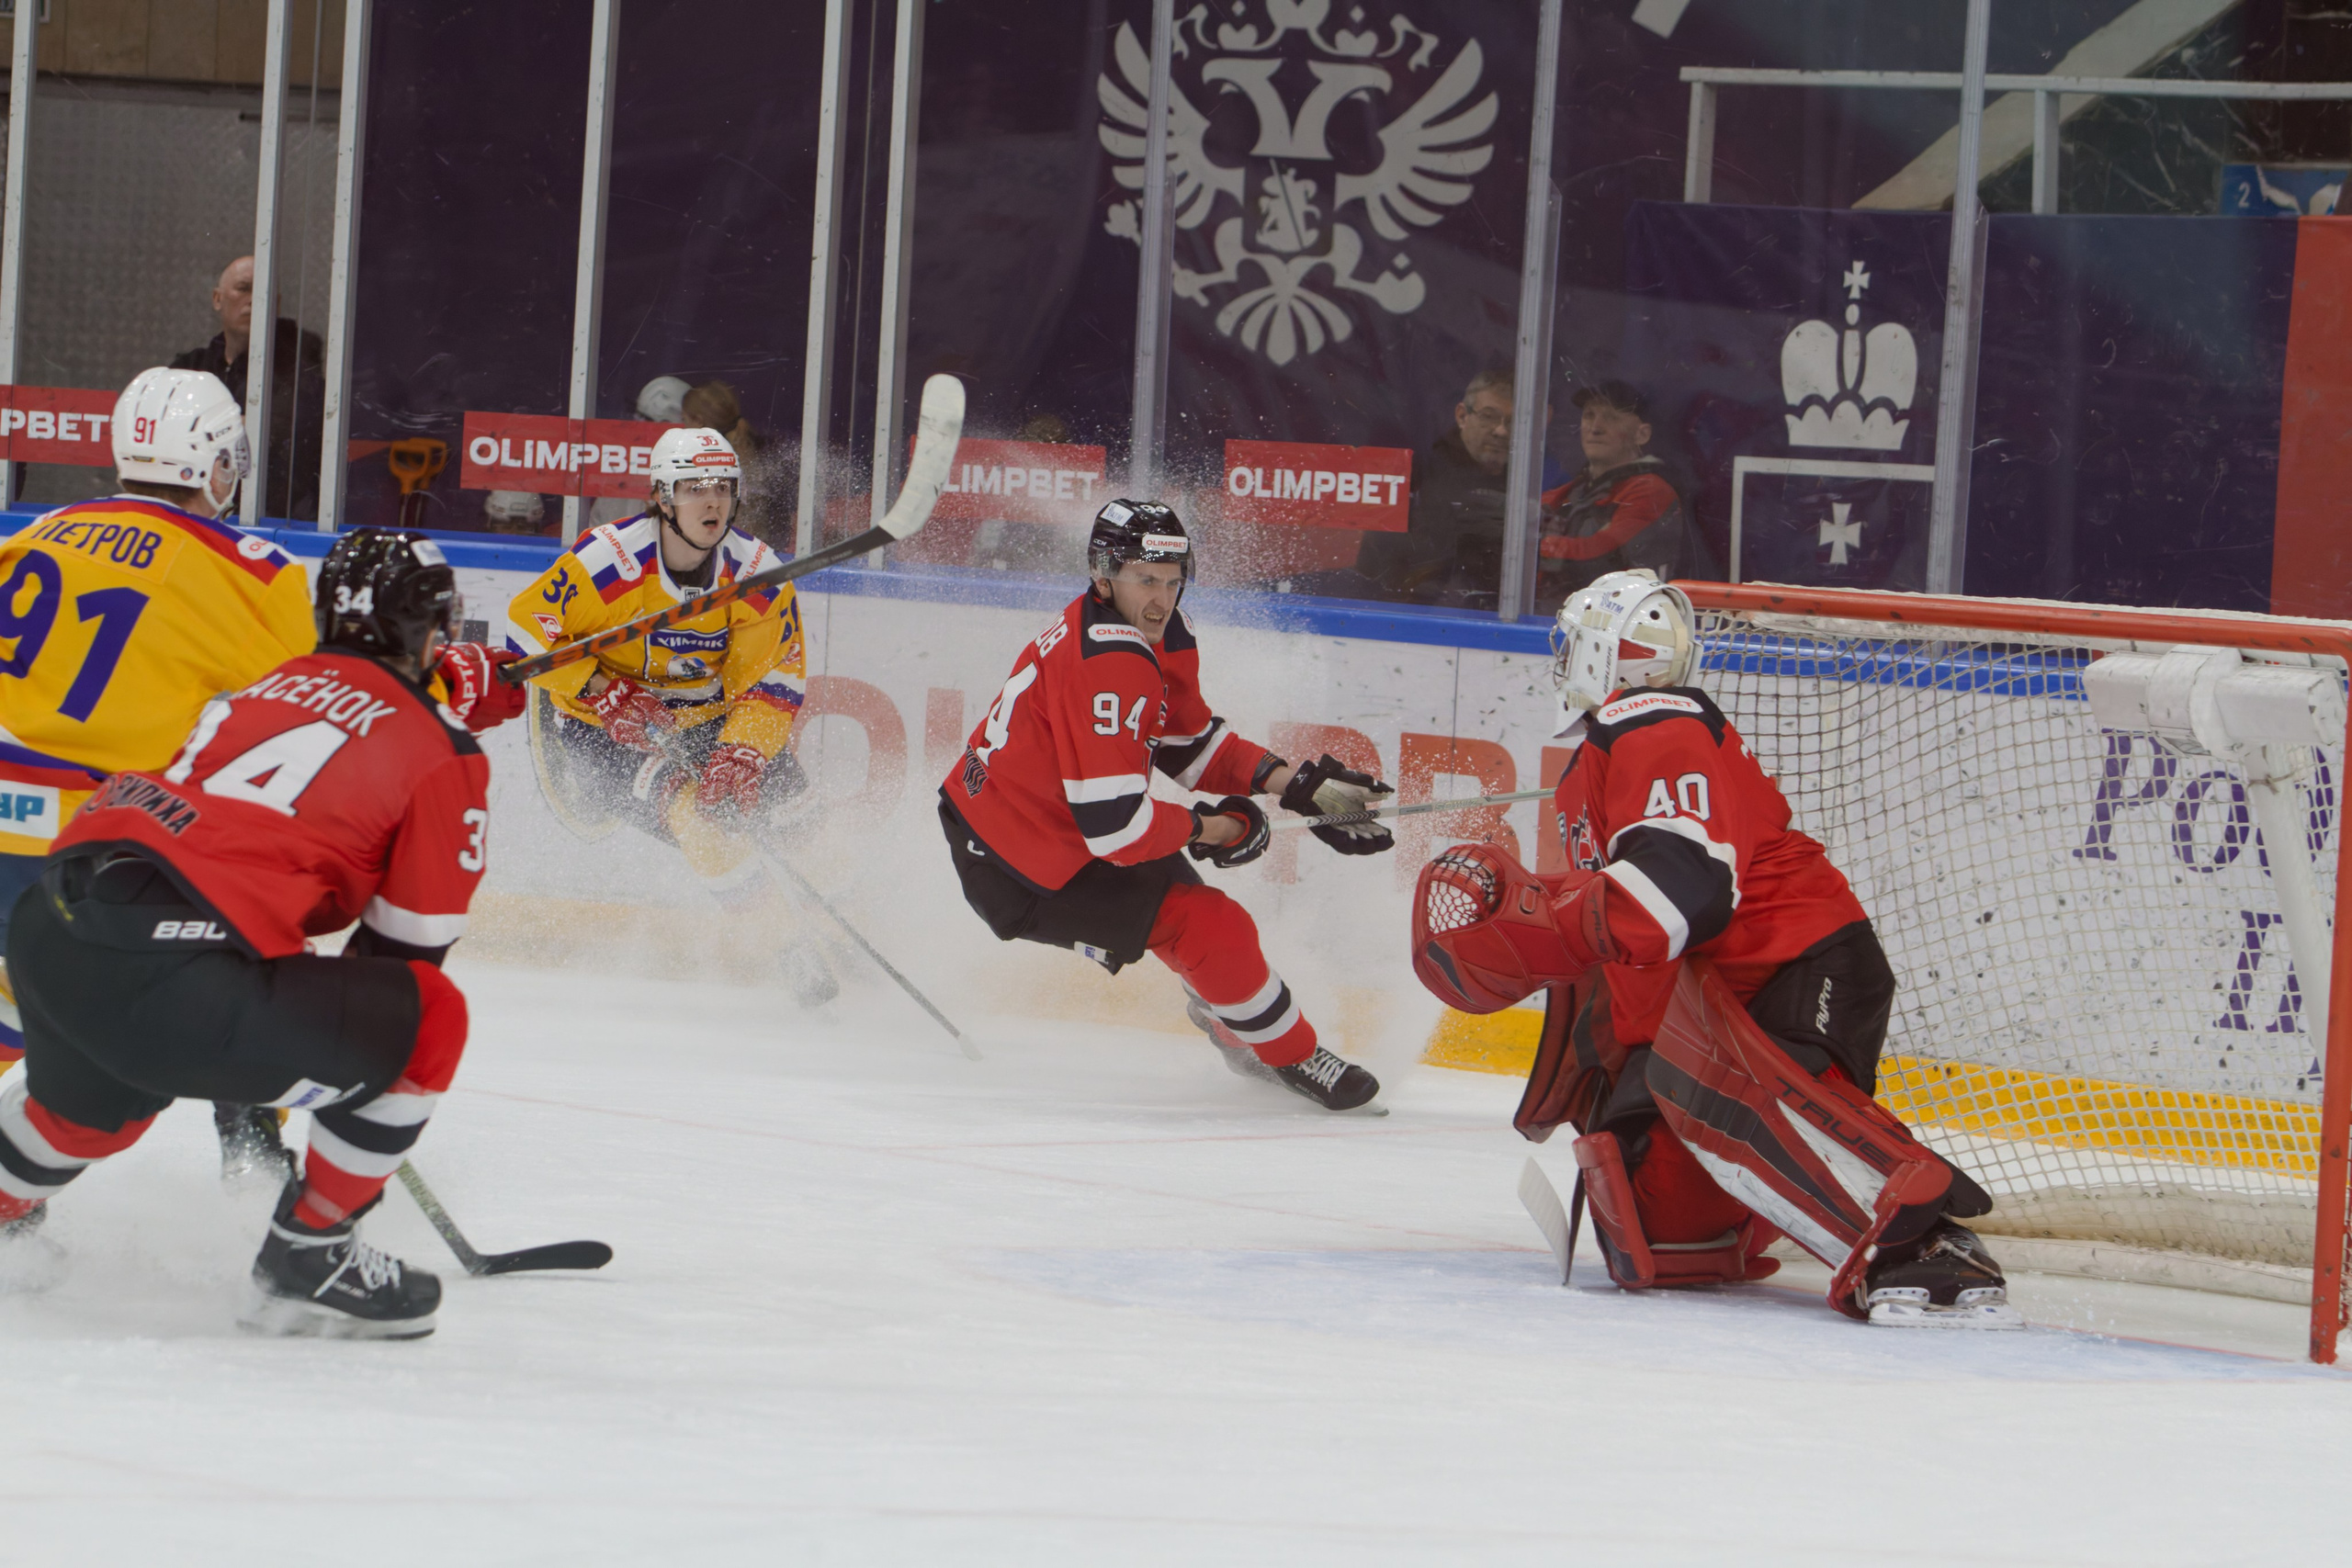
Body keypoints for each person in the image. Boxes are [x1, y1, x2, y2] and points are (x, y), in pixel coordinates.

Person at [1409, 570, 2018, 1327]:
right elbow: (1623, 919)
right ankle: (1779, 1207)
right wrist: (1525, 925)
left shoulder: (1656, 727)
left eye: (1572, 644)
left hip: (1792, 963)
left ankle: (1923, 1239)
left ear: (1600, 655)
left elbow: (1681, 893)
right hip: (1710, 995)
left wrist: (1551, 927)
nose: (1562, 659)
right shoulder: (1602, 756)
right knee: (1658, 1229)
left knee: (1744, 1098)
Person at [0, 367, 522, 1180]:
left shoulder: (33, 532)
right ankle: (253, 1150)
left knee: (29, 1042)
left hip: (21, 835)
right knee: (228, 966)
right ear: (217, 465)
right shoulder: (249, 571)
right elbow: (333, 697)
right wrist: (455, 679)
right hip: (105, 851)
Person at [0, 530, 498, 1338]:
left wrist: (430, 705)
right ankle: (313, 1247)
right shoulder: (444, 752)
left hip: (52, 922)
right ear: (431, 628)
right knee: (428, 1017)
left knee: (104, 1098)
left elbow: (330, 729)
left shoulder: (266, 683)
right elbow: (403, 960)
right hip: (176, 972)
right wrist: (443, 732)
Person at [941, 499, 1395, 1111]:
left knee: (1195, 920)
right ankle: (1290, 1054)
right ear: (1104, 575)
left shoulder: (1151, 631)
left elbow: (1186, 743)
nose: (1162, 597)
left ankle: (1237, 1029)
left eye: (1173, 580)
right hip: (1015, 865)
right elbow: (1118, 832)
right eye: (1146, 580)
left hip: (1042, 824)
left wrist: (1293, 783)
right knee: (1210, 924)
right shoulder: (1109, 663)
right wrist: (1219, 825)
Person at [508, 427, 833, 1005]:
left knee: (803, 818)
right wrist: (600, 689)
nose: (712, 502)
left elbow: (774, 680)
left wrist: (743, 752)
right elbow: (526, 628)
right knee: (700, 819)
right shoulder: (608, 561)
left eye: (723, 488)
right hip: (598, 730)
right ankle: (787, 951)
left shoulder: (757, 574)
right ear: (662, 496)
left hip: (704, 719)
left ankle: (838, 937)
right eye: (695, 488)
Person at [170, 256, 325, 522]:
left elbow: (280, 439)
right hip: (196, 517)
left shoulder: (301, 372)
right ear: (217, 299)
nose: (254, 300)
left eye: (264, 293)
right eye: (244, 288)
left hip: (276, 522)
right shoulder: (190, 368)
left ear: (275, 305)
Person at [1355, 368, 1513, 605]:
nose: (1501, 431)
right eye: (1489, 416)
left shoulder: (1530, 483)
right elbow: (1379, 559)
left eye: (1511, 421)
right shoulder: (1421, 476)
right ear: (1462, 416)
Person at [1534, 381, 1696, 611]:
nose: (1595, 427)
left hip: (1624, 626)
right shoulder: (1575, 490)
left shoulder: (1652, 491)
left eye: (1610, 417)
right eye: (1589, 415)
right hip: (1571, 619)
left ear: (1642, 435)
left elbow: (1602, 556)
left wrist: (1536, 546)